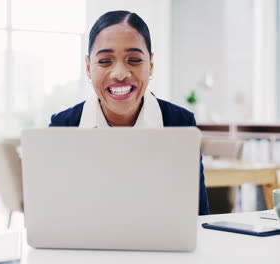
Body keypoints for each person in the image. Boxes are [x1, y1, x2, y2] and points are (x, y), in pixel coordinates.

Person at [49, 10, 210, 215]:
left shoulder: (180, 122)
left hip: (160, 244)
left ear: (150, 65)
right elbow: (54, 215)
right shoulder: (63, 126)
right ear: (88, 67)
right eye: (105, 61)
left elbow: (196, 216)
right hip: (86, 245)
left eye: (133, 60)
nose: (120, 74)